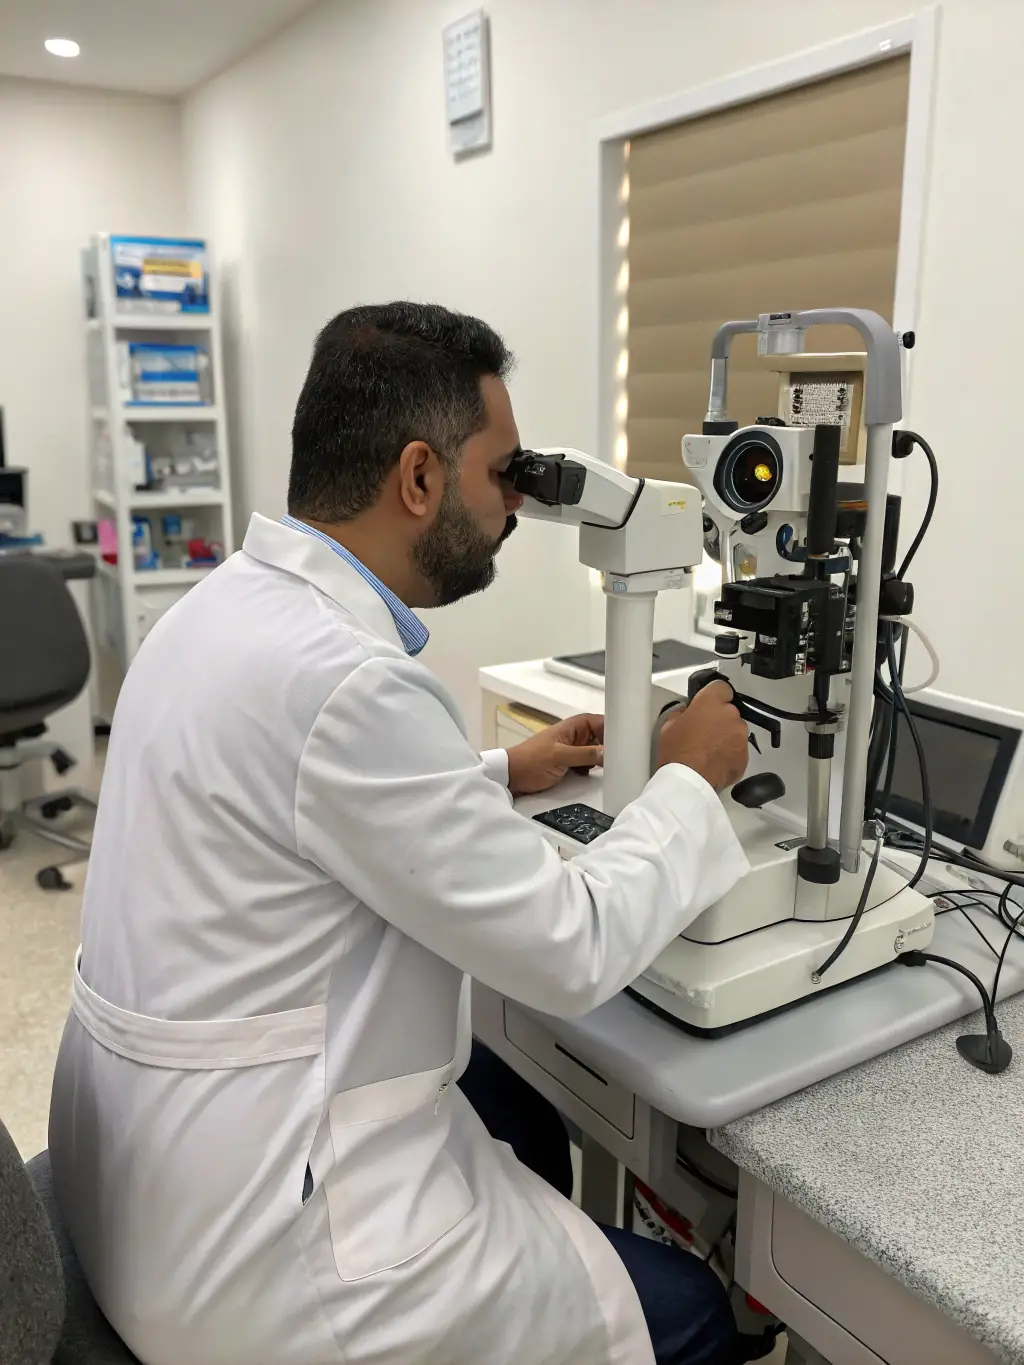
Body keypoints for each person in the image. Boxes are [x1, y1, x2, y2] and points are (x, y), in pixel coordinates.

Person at [49, 302, 754, 1365]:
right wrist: (692, 781)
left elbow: (286, 806)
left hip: (140, 1166)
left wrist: (497, 771)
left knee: (516, 1120)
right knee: (687, 1309)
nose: (516, 508)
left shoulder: (218, 612)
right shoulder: (352, 681)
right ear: (419, 478)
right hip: (251, 1254)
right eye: (502, 474)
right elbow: (569, 948)